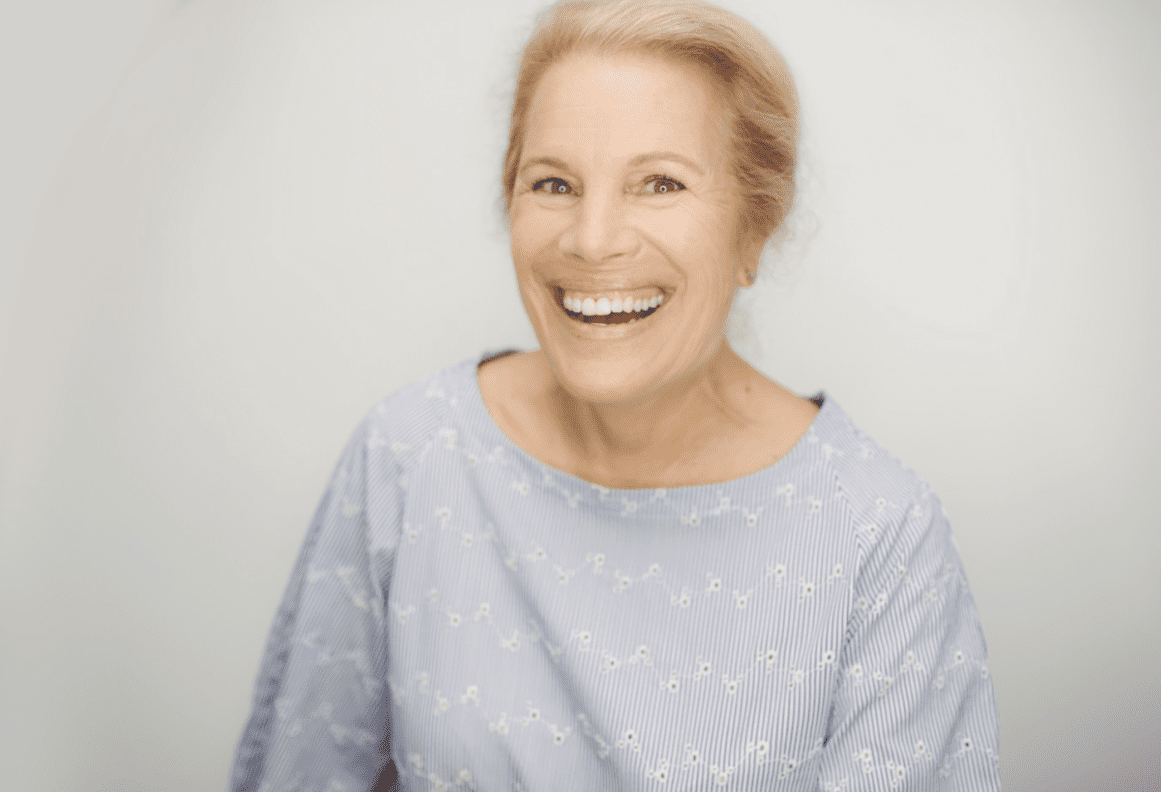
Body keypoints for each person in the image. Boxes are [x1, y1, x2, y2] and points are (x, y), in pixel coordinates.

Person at [228, 0, 1001, 789]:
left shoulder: (881, 537)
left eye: (659, 183)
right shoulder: (409, 456)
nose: (593, 239)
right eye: (554, 183)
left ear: (754, 229)